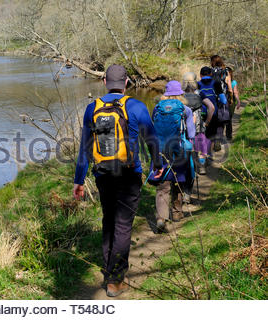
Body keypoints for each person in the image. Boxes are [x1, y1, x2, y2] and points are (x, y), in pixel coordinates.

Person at [73, 64, 163, 297]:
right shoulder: (136, 106)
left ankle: (109, 269)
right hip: (129, 175)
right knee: (123, 225)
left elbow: (85, 148)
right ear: (126, 83)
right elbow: (151, 139)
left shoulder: (92, 108)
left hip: (103, 175)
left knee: (109, 221)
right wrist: (158, 165)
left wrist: (78, 180)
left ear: (104, 82)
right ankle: (114, 279)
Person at [152, 81, 195, 231]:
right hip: (179, 151)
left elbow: (153, 128)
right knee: (178, 182)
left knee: (162, 185)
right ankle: (176, 213)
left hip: (160, 150)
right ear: (181, 93)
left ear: (166, 93)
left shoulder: (157, 108)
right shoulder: (185, 110)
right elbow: (191, 134)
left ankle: (161, 218)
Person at [182, 72, 215, 175]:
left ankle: (188, 168)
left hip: (185, 127)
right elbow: (211, 107)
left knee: (187, 146)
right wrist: (207, 122)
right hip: (199, 126)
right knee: (201, 147)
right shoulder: (199, 93)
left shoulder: (180, 95)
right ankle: (201, 167)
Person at [198, 66, 227, 157]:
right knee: (212, 134)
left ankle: (202, 154)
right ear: (211, 74)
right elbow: (224, 101)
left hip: (201, 113)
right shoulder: (216, 83)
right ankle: (210, 154)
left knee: (202, 134)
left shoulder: (197, 84)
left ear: (200, 75)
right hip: (213, 113)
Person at [210, 55, 232, 150]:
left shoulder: (209, 72)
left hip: (211, 99)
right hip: (223, 98)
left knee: (212, 119)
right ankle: (218, 140)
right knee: (221, 120)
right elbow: (230, 88)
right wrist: (230, 98)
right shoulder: (225, 72)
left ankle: (212, 140)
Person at [225, 66, 241, 141]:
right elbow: (235, 92)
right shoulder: (233, 82)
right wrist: (238, 101)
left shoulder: (220, 81)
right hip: (231, 101)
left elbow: (235, 92)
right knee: (229, 119)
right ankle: (229, 136)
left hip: (222, 101)